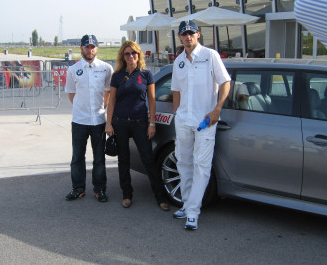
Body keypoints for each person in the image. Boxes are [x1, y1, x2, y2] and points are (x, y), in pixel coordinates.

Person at [171, 20, 231, 230]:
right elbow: (176, 90)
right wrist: (178, 113)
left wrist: (217, 109)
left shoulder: (210, 55)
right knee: (183, 163)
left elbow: (225, 82)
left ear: (198, 35)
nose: (188, 37)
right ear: (179, 37)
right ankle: (187, 204)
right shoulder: (178, 61)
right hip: (184, 121)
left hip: (205, 122)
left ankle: (193, 212)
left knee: (201, 167)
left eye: (191, 33)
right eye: (184, 34)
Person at [105, 40, 169, 211]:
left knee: (148, 159)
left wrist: (152, 123)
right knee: (123, 160)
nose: (131, 56)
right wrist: (108, 123)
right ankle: (127, 195)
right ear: (123, 56)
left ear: (139, 55)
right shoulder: (117, 76)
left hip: (141, 122)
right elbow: (111, 102)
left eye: (134, 53)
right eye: (127, 53)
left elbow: (152, 100)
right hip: (120, 123)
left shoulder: (147, 74)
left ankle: (161, 197)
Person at [64, 34, 113, 202]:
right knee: (77, 157)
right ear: (81, 48)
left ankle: (100, 189)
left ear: (97, 48)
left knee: (99, 157)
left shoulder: (106, 68)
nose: (90, 50)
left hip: (98, 121)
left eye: (93, 46)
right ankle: (78, 188)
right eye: (87, 46)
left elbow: (108, 92)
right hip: (79, 121)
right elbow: (71, 94)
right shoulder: (73, 70)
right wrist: (82, 108)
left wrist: (101, 108)